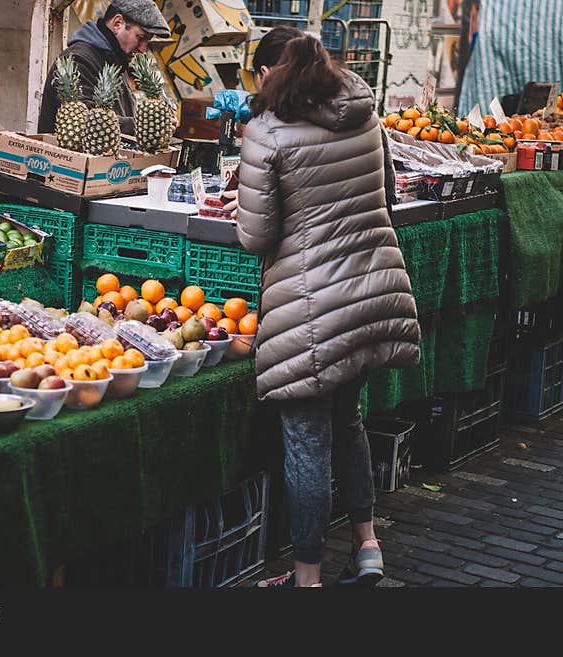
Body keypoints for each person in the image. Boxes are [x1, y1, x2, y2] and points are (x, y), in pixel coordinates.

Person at [230, 28, 421, 588]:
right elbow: (386, 191)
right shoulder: (363, 112)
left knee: (307, 442)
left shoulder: (266, 132)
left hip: (312, 308)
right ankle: (367, 546)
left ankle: (306, 578)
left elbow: (256, 235)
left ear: (269, 73)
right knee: (348, 421)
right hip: (370, 292)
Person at [37, 0, 171, 137]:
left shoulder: (115, 61)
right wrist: (144, 125)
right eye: (140, 38)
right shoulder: (79, 60)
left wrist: (156, 121)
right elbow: (85, 122)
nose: (143, 49)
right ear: (118, 23)